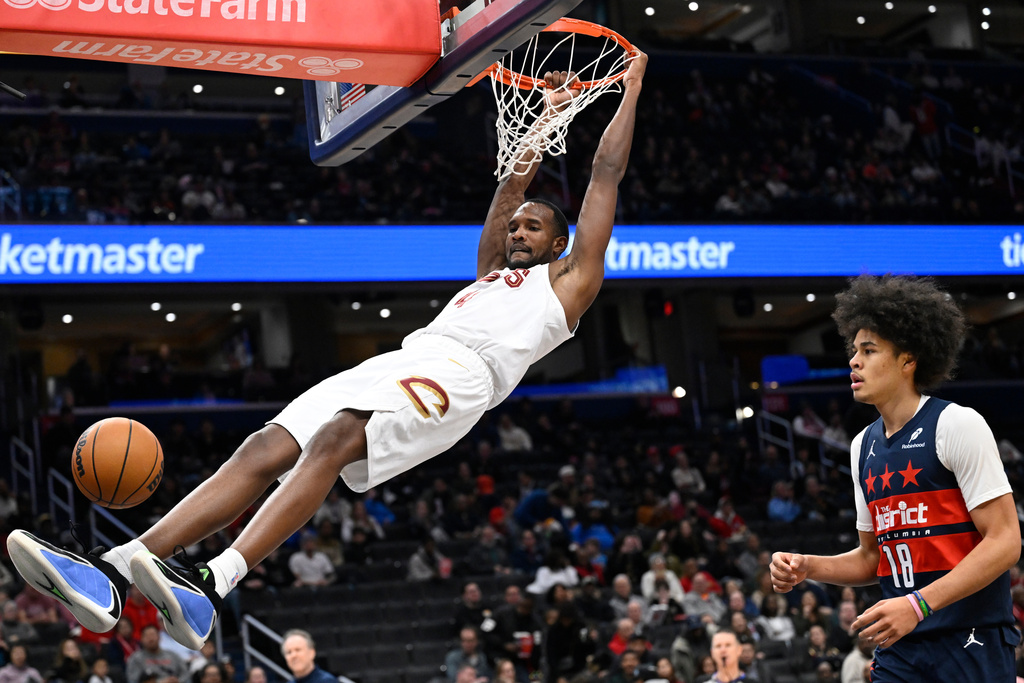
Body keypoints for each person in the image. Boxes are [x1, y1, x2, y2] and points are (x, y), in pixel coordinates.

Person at [7, 51, 649, 652]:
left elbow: (607, 173)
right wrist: (552, 113)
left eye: (532, 226)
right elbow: (509, 187)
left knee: (341, 436)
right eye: (515, 226)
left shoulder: (570, 283)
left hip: (464, 379)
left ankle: (212, 584)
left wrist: (630, 87)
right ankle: (114, 573)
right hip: (409, 357)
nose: (516, 230)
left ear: (562, 243)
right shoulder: (487, 271)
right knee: (265, 445)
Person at [770, 275, 1021, 682]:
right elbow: (873, 558)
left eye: (869, 350)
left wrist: (918, 604)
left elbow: (1006, 542)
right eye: (855, 350)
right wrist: (807, 565)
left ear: (908, 359)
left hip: (970, 640)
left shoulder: (956, 424)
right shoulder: (861, 447)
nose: (854, 361)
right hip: (900, 643)